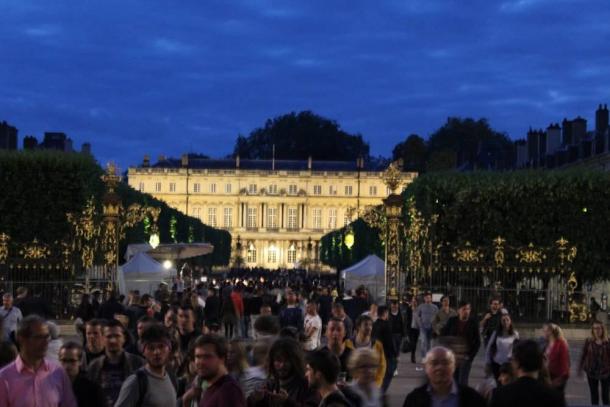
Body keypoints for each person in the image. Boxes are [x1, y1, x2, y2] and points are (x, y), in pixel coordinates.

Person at [0, 315, 78, 407]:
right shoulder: (4, 378)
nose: (46, 342)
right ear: (22, 339)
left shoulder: (59, 373)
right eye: (39, 337)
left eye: (47, 337)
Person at [114, 323, 177, 407]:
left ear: (169, 349)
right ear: (143, 351)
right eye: (151, 348)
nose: (156, 352)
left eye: (161, 346)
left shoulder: (171, 378)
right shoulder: (136, 382)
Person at [87, 319, 145, 407]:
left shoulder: (137, 363)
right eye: (109, 336)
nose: (113, 340)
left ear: (124, 338)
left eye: (117, 336)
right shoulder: (94, 367)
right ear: (102, 339)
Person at [490, 339, 565, 407]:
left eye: (512, 359)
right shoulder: (555, 397)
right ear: (541, 363)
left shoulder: (499, 395)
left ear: (517, 363)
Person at [402, 346, 485, 407]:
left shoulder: (472, 398)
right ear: (426, 367)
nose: (440, 367)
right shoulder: (414, 399)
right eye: (434, 363)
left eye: (445, 363)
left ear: (454, 366)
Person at [248, 337, 319, 407]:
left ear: (295, 361)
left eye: (287, 360)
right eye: (278, 360)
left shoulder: (307, 385)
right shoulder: (269, 385)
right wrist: (255, 400)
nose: (282, 365)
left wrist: (287, 402)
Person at [181, 334, 246, 407]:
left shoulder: (229, 391)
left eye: (207, 357)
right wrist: (186, 400)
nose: (201, 362)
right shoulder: (210, 387)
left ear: (222, 359)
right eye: (198, 357)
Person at [440, 301, 480, 386]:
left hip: (465, 358)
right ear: (458, 310)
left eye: (468, 309)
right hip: (452, 357)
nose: (466, 311)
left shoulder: (473, 323)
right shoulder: (452, 321)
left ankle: (463, 398)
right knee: (453, 381)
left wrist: (470, 357)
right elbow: (443, 335)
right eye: (464, 309)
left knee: (463, 381)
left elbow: (477, 342)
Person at [59, 341, 104, 407]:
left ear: (80, 362)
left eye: (72, 361)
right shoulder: (52, 386)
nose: (67, 366)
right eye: (64, 361)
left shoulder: (92, 389)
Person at [349, 315, 386, 387]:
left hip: (371, 386)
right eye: (366, 324)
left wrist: (377, 383)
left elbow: (382, 366)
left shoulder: (377, 345)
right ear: (358, 327)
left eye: (370, 325)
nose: (369, 327)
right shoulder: (348, 344)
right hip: (352, 387)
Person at [579, 320, 610, 405]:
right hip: (591, 372)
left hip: (606, 372)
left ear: (603, 329)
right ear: (592, 330)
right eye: (594, 328)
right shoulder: (588, 341)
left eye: (599, 328)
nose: (597, 330)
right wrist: (580, 369)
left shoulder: (608, 342)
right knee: (594, 395)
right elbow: (583, 355)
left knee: (605, 395)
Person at [485, 312, 519, 381]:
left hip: (508, 364)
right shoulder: (496, 333)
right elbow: (488, 348)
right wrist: (487, 363)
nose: (505, 322)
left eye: (507, 320)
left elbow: (518, 348)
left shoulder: (515, 334)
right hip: (496, 363)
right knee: (498, 383)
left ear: (510, 321)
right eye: (503, 320)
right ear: (500, 322)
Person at [542, 322, 570, 395]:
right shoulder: (546, 343)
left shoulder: (561, 344)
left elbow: (565, 363)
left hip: (558, 378)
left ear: (550, 331)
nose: (543, 332)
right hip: (548, 377)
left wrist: (560, 379)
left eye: (545, 331)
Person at [372, 306, 396, 393]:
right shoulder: (386, 325)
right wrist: (395, 354)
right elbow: (389, 342)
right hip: (386, 354)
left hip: (375, 354)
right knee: (388, 374)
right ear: (385, 313)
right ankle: (380, 392)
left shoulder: (374, 324)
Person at [415, 292, 438, 361]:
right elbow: (417, 316)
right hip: (423, 328)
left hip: (431, 328)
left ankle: (429, 357)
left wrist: (435, 326)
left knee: (430, 344)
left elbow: (437, 317)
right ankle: (423, 357)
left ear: (431, 298)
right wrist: (420, 324)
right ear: (424, 299)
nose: (427, 299)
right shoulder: (421, 306)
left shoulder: (435, 307)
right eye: (426, 298)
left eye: (429, 297)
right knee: (423, 343)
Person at [406, 297, 419, 364]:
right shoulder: (409, 309)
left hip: (417, 328)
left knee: (415, 343)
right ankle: (412, 356)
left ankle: (413, 355)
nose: (414, 302)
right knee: (412, 343)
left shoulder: (419, 309)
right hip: (410, 328)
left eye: (415, 301)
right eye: (413, 301)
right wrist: (406, 330)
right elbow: (407, 319)